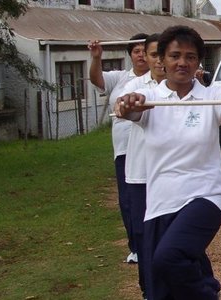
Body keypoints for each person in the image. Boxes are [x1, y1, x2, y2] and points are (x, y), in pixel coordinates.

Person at [115, 25, 221, 299]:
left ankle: (209, 294)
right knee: (160, 288)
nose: (182, 62)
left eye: (190, 56)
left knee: (169, 257)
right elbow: (125, 109)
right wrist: (127, 104)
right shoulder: (151, 100)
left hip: (204, 197)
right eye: (175, 55)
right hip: (160, 204)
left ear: (198, 62)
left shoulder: (211, 96)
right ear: (162, 59)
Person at [88, 32, 149, 264]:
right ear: (130, 55)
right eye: (136, 51)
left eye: (146, 50)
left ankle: (152, 240)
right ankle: (135, 245)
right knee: (127, 199)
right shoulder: (121, 79)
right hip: (124, 149)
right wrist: (96, 57)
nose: (141, 55)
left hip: (149, 148)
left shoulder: (160, 81)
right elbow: (97, 80)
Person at [117, 33, 163, 297]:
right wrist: (126, 105)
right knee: (144, 236)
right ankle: (149, 290)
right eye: (153, 54)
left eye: (162, 54)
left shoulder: (182, 87)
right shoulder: (134, 86)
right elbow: (124, 106)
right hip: (140, 175)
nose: (158, 61)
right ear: (144, 57)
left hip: (169, 174)